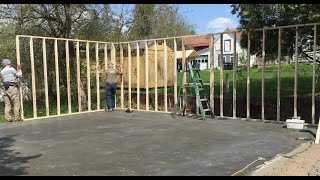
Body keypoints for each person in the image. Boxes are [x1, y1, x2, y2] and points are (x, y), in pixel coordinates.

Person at [1, 59, 22, 123]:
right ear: (9, 63)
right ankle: (17, 118)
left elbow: (8, 78)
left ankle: (8, 119)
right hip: (12, 88)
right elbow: (20, 75)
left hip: (5, 89)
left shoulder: (2, 71)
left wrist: (14, 77)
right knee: (16, 103)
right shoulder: (12, 69)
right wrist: (19, 69)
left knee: (7, 104)